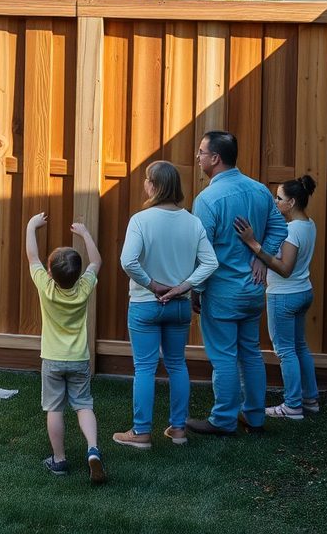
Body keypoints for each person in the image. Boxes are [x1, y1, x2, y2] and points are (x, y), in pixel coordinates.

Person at [187, 131, 288, 437]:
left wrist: (195, 288)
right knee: (251, 354)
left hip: (222, 293)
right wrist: (260, 257)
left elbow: (198, 249)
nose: (198, 157)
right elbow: (280, 226)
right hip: (253, 292)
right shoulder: (259, 190)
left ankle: (223, 420)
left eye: (201, 152)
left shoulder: (207, 199)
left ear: (215, 158)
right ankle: (255, 418)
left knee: (224, 358)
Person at [113, 161, 218, 449]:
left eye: (147, 180)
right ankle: (178, 430)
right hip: (179, 306)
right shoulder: (192, 222)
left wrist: (152, 285)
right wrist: (183, 287)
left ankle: (141, 433)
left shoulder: (141, 220)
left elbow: (127, 261)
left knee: (145, 368)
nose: (145, 184)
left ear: (154, 186)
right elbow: (211, 262)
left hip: (146, 305)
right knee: (176, 364)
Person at [25, 212, 107, 484]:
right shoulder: (83, 288)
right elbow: (96, 261)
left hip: (52, 360)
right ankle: (92, 449)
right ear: (77, 274)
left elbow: (32, 257)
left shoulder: (45, 287)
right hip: (79, 359)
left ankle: (59, 459)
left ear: (50, 273)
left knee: (55, 409)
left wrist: (30, 227)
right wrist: (84, 233)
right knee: (83, 405)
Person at [233, 175, 320, 419]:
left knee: (284, 351)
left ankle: (292, 406)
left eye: (279, 198)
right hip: (302, 292)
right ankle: (310, 398)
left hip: (285, 295)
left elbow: (284, 268)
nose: (275, 201)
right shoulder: (308, 224)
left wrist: (252, 243)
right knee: (299, 346)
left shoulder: (292, 230)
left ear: (291, 202)